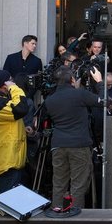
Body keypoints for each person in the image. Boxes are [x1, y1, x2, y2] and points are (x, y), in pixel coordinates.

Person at [43, 65, 106, 210]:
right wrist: (99, 82)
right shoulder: (80, 94)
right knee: (78, 184)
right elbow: (105, 101)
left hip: (58, 145)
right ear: (72, 79)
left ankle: (57, 211)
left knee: (59, 183)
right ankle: (75, 216)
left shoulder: (50, 100)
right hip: (79, 145)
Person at [0, 68, 29, 194]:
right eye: (9, 81)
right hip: (6, 164)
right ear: (4, 85)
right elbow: (21, 108)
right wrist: (14, 88)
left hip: (0, 161)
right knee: (7, 203)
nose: (12, 83)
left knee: (0, 201)